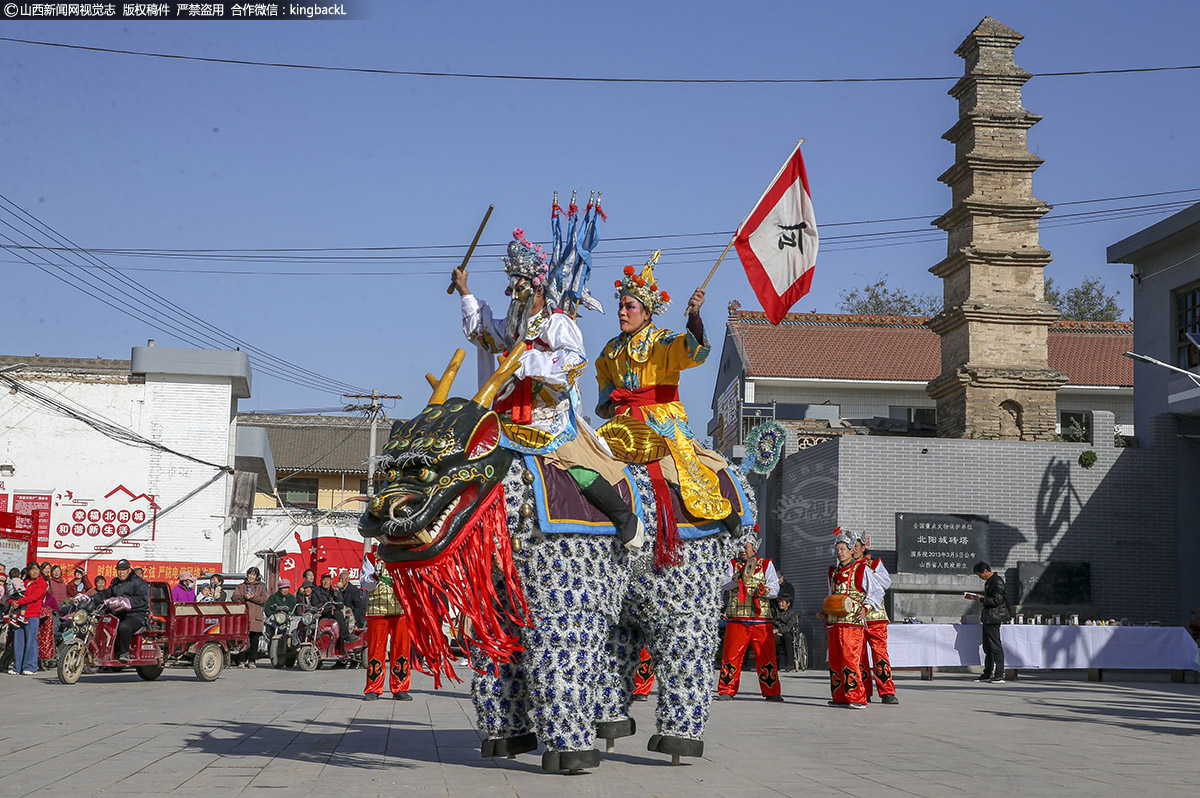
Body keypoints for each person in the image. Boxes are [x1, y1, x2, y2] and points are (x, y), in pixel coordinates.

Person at [453, 227, 641, 545]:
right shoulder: (511, 326)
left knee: (576, 467)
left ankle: (624, 517)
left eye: (519, 290)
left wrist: (529, 364)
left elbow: (574, 361)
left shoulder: (556, 323)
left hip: (549, 421)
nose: (513, 296)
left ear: (537, 291)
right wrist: (464, 290)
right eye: (511, 290)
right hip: (506, 420)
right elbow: (481, 333)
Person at [595, 251, 741, 551]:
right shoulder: (610, 349)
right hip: (622, 422)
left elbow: (690, 350)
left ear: (647, 312)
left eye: (629, 306)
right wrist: (612, 403)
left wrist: (694, 318)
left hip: (660, 419)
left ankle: (724, 511)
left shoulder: (661, 340)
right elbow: (605, 383)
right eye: (620, 305)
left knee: (682, 469)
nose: (622, 311)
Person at [823, 528, 885, 709]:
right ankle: (840, 696)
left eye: (843, 548)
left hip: (852, 622)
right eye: (838, 549)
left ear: (852, 550)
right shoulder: (834, 572)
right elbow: (831, 593)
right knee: (835, 660)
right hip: (835, 621)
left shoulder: (862, 569)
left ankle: (857, 697)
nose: (840, 552)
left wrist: (866, 607)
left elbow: (877, 591)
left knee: (851, 658)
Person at [717, 538, 783, 701]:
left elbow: (775, 588)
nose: (742, 550)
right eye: (739, 547)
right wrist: (737, 578)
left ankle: (771, 691)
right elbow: (722, 584)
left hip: (761, 619)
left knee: (766, 656)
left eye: (745, 547)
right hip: (737, 618)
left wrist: (763, 590)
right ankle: (727, 689)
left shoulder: (766, 564)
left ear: (754, 548)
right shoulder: (732, 564)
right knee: (731, 655)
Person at [360, 550, 412, 701]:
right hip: (377, 611)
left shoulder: (407, 554)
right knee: (375, 650)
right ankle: (373, 688)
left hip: (401, 610)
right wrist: (375, 577)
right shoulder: (372, 556)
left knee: (402, 650)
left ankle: (400, 688)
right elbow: (365, 583)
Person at [852, 536, 899, 705]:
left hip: (876, 617)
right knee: (859, 656)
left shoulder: (874, 564)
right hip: (855, 618)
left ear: (863, 547)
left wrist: (867, 571)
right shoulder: (846, 568)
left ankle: (887, 691)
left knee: (880, 655)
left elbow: (886, 583)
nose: (853, 550)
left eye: (856, 546)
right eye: (851, 547)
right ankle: (863, 691)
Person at [83, 558, 151, 662]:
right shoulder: (115, 582)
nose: (121, 572)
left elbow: (142, 600)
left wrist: (126, 602)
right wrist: (89, 598)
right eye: (119, 569)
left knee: (124, 627)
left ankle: (124, 653)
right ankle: (105, 653)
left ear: (129, 570)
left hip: (137, 615)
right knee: (102, 624)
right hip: (119, 614)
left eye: (123, 570)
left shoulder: (140, 583)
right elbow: (106, 594)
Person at [968, 562, 1011, 684]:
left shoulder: (997, 581)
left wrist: (981, 599)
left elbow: (997, 600)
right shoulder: (990, 581)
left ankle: (999, 674)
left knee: (995, 646)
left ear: (986, 571)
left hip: (994, 617)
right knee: (988, 647)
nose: (980, 577)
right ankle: (987, 672)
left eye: (980, 575)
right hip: (988, 617)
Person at [9, 562, 46, 675]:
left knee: (31, 641)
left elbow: (34, 597)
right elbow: (13, 595)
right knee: (18, 642)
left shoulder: (42, 583)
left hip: (32, 614)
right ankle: (17, 667)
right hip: (20, 615)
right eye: (32, 569)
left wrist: (18, 602)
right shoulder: (23, 582)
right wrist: (13, 602)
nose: (34, 571)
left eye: (36, 569)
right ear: (28, 571)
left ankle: (30, 666)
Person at [231, 567, 268, 667]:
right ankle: (241, 661)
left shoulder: (261, 587)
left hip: (256, 618)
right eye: (250, 574)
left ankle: (252, 661)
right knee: (242, 641)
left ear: (257, 577)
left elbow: (264, 599)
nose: (251, 577)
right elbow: (234, 597)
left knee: (254, 641)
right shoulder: (241, 586)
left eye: (253, 575)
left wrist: (253, 598)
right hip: (243, 617)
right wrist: (244, 597)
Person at [313, 573, 350, 644]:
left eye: (328, 580)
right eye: (324, 580)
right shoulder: (316, 591)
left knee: (338, 613)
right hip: (321, 614)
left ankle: (345, 636)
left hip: (332, 613)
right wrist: (330, 606)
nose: (326, 582)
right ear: (321, 581)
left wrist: (337, 595)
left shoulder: (334, 590)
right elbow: (316, 605)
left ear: (331, 582)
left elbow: (340, 606)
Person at [773, 597, 800, 672]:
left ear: (788, 604)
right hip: (776, 631)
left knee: (788, 640)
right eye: (779, 602)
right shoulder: (775, 611)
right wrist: (775, 630)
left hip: (787, 632)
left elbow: (789, 626)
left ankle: (789, 665)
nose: (780, 604)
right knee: (773, 641)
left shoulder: (792, 613)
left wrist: (779, 630)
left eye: (782, 602)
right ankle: (775, 664)